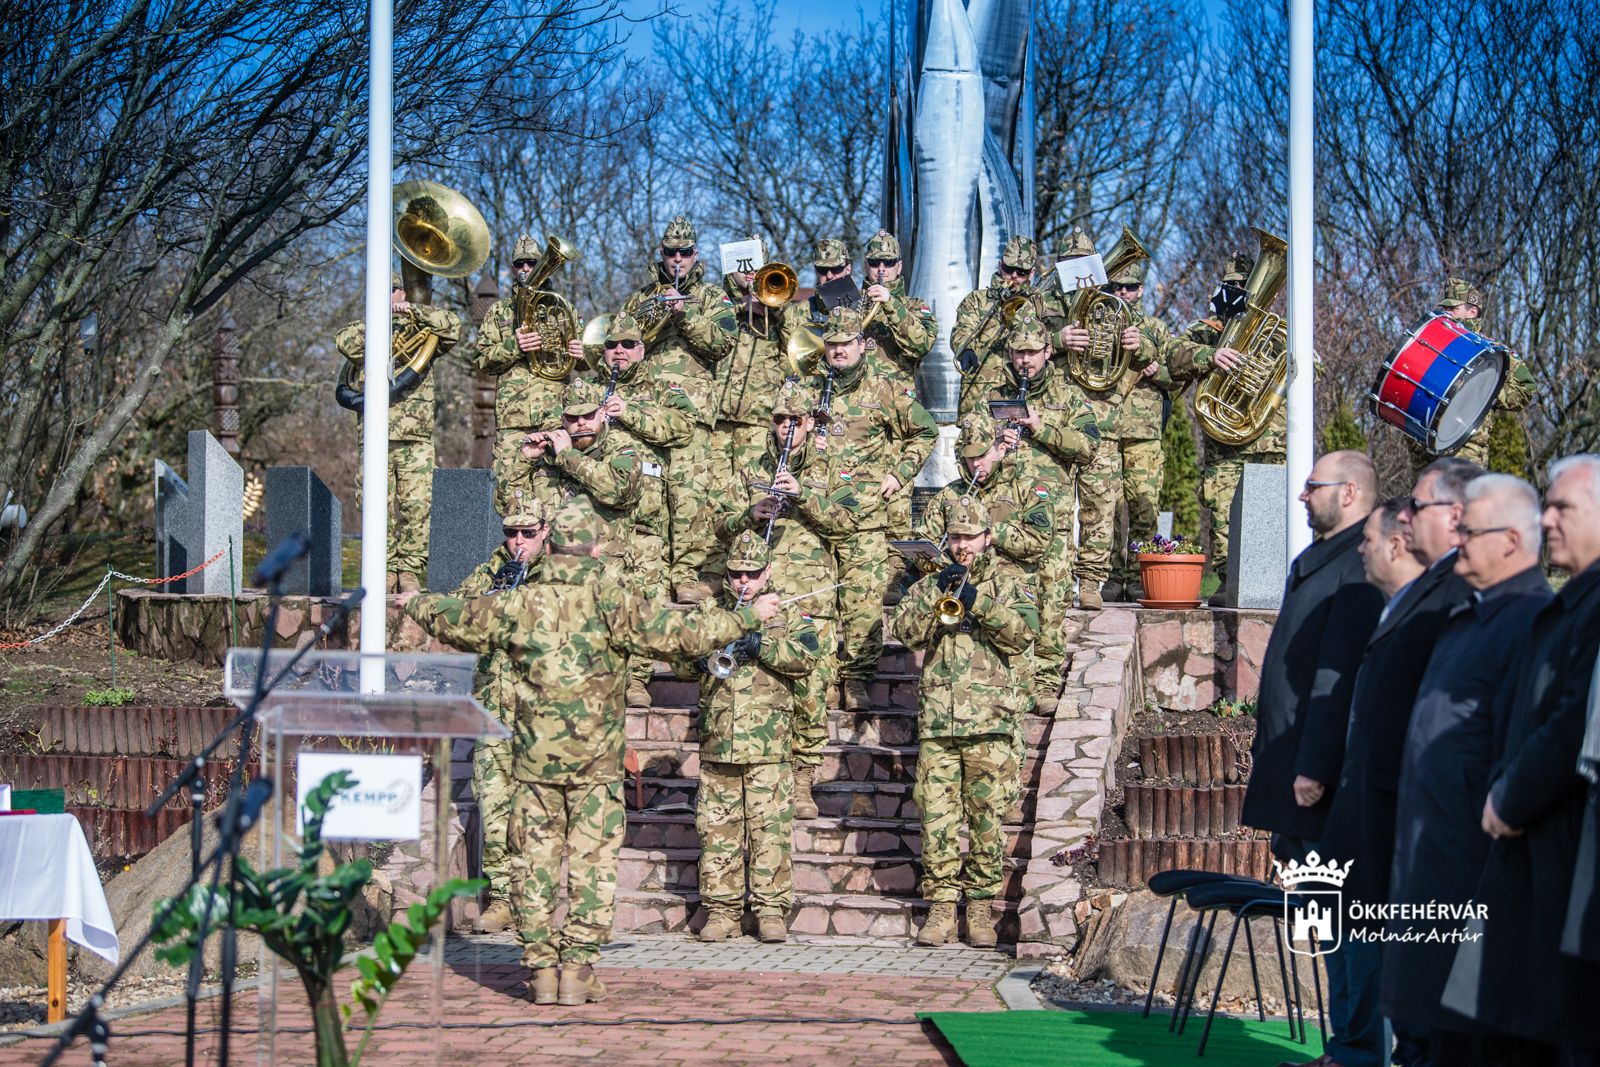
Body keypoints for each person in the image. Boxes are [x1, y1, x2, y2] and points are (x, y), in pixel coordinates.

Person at [400, 505, 779, 1006]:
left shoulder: (520, 603)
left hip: (534, 764)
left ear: (551, 545)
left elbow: (457, 618)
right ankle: (577, 969)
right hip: (596, 767)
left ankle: (541, 969)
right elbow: (686, 636)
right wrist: (750, 615)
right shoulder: (613, 603)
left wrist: (416, 602)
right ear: (596, 548)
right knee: (591, 867)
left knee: (533, 865)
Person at [1383, 474, 1550, 1067]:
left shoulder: (1530, 620)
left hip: (1470, 869)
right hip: (1428, 854)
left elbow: (1519, 750)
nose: (1460, 543)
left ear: (1510, 541)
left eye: (1471, 533)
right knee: (1421, 1032)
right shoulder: (1472, 611)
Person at [1317, 460, 1480, 1067]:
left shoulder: (1456, 593)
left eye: (1417, 505)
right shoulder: (1425, 591)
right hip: (1385, 805)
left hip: (1420, 815)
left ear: (1455, 517)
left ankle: (1363, 1051)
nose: (1405, 516)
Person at [1442, 455, 1600, 1064]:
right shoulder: (1573, 603)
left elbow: (1572, 720)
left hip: (1560, 850)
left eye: (1563, 507)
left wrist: (1510, 796)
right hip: (1533, 851)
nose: (1547, 519)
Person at [1239, 449, 1383, 1067]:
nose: (1302, 496)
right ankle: (1342, 1045)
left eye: (1312, 486)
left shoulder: (1359, 563)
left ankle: (1356, 1050)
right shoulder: (1318, 559)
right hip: (1292, 766)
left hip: (1318, 779)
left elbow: (1338, 673)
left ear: (1349, 493)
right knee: (1321, 919)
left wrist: (1316, 765)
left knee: (1347, 920)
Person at [893, 495, 1038, 948]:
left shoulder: (1011, 580)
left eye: (970, 537)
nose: (962, 546)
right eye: (955, 537)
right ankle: (939, 909)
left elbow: (1022, 635)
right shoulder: (932, 582)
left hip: (989, 723)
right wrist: (936, 594)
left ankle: (979, 909)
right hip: (939, 723)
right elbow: (905, 632)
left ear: (987, 536)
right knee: (936, 820)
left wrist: (979, 602)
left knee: (986, 821)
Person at [711, 382, 861, 818]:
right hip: (758, 594)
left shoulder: (832, 466)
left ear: (811, 423)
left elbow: (848, 524)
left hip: (809, 596)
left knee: (810, 691)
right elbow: (716, 524)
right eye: (779, 419)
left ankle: (801, 778)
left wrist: (804, 496)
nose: (786, 427)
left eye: (795, 420)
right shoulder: (750, 467)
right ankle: (757, 773)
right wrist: (748, 514)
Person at [677, 530, 822, 944]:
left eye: (752, 573)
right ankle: (721, 911)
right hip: (719, 741)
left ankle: (770, 910)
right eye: (736, 573)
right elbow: (678, 657)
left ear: (767, 572)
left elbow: (808, 658)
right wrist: (703, 658)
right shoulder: (710, 611)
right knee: (717, 832)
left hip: (768, 745)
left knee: (769, 832)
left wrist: (761, 645)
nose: (743, 581)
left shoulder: (789, 611)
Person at [918, 411, 1053, 816]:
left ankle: (1006, 795)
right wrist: (936, 559)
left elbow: (1041, 541)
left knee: (1013, 701)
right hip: (960, 603)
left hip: (1008, 601)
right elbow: (925, 543)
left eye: (983, 454)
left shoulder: (1025, 486)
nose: (977, 463)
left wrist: (992, 534)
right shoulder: (949, 496)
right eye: (969, 456)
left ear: (1000, 448)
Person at [960, 314, 1097, 707]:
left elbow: (1089, 448)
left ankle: (1045, 681)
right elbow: (965, 451)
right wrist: (991, 449)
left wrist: (1041, 428)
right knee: (1004, 600)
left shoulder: (1069, 395)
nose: (1025, 360)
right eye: (1019, 352)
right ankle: (1003, 680)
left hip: (1050, 519)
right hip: (1001, 517)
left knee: (1051, 600)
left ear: (1048, 351)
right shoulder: (990, 396)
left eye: (1032, 352)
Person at [807, 305, 938, 712]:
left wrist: (899, 474)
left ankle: (856, 680)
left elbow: (925, 431)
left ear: (862, 345)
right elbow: (779, 433)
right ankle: (822, 678)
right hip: (812, 515)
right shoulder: (809, 386)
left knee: (862, 605)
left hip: (863, 517)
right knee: (816, 605)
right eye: (832, 343)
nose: (838, 350)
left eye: (846, 342)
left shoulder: (885, 388)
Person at [619, 215, 738, 603]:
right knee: (649, 495)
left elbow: (722, 343)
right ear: (662, 253)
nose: (677, 259)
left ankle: (687, 575)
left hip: (692, 414)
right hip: (645, 411)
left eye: (684, 253)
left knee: (688, 498)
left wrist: (684, 313)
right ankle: (649, 572)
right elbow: (618, 342)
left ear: (695, 254)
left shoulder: (712, 297)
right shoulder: (640, 298)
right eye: (671, 252)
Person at [1035, 230, 1156, 610]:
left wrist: (1139, 344)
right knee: (1052, 506)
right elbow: (1015, 343)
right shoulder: (1041, 300)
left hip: (1100, 420)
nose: (1078, 270)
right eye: (1070, 264)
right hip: (1054, 419)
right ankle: (1051, 580)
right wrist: (1057, 340)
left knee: (1099, 508)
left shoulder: (1111, 305)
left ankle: (1090, 581)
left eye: (1084, 263)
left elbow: (1155, 349)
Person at [579, 312, 694, 703]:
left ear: (642, 350)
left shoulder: (663, 387)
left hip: (646, 512)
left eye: (628, 344)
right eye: (612, 345)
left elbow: (683, 428)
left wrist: (628, 411)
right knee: (601, 596)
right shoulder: (588, 388)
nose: (619, 351)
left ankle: (636, 680)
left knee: (646, 596)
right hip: (599, 510)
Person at [446, 500, 549, 934]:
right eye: (511, 533)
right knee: (493, 806)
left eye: (527, 532)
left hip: (540, 715)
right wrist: (491, 596)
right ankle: (503, 898)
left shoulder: (559, 574)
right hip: (492, 711)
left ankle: (535, 899)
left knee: (538, 813)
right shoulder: (492, 570)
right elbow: (453, 616)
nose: (518, 541)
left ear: (545, 531)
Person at [1163, 251, 1284, 604]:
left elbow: (1311, 371)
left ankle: (1271, 585)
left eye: (1246, 285)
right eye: (1233, 285)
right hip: (1225, 443)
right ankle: (1228, 580)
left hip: (1269, 441)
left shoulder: (1277, 330)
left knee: (1271, 519)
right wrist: (1210, 356)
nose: (1240, 290)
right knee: (1224, 515)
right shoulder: (1206, 330)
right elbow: (1173, 357)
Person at [334, 271, 462, 592]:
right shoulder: (367, 331)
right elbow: (344, 341)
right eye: (380, 291)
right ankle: (385, 567)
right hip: (375, 433)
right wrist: (379, 319)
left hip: (415, 434)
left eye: (392, 290)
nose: (387, 296)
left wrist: (414, 311)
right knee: (374, 504)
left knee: (417, 505)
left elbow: (453, 326)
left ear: (402, 293)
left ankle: (409, 570)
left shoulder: (422, 327)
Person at [475, 234, 584, 518]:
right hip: (513, 422)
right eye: (519, 263)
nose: (526, 268)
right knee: (509, 499)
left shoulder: (563, 308)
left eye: (533, 262)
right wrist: (514, 345)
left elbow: (588, 360)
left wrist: (583, 354)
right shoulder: (499, 312)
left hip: (555, 416)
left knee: (556, 497)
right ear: (512, 268)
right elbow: (482, 360)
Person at [1100, 258, 1178, 601]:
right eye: (1116, 287)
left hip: (1144, 432)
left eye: (1129, 287)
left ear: (1140, 290)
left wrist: (1156, 370)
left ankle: (1137, 576)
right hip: (1107, 427)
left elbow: (1178, 377)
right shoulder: (1100, 325)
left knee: (1144, 507)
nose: (1123, 293)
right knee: (1107, 508)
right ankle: (1110, 576)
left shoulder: (1156, 329)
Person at [1403, 278, 1535, 479]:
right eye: (1445, 308)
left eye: (1453, 308)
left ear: (1472, 312)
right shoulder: (1431, 344)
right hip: (1425, 452)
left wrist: (1484, 388)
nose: (1446, 313)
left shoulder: (1494, 353)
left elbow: (1525, 389)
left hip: (1465, 453)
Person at [712, 235, 811, 494]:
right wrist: (737, 307)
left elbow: (797, 349)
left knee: (754, 490)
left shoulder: (781, 309)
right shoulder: (715, 301)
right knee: (715, 492)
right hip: (716, 418)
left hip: (759, 418)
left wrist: (775, 306)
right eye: (743, 266)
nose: (749, 272)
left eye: (757, 266)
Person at [519, 378, 643, 585]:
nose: (581, 423)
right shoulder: (546, 455)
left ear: (602, 414)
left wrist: (568, 456)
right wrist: (524, 461)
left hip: (606, 570)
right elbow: (509, 508)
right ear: (563, 420)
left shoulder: (621, 448)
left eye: (588, 415)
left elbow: (620, 490)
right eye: (573, 418)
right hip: (551, 570)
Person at [952, 234, 1075, 402]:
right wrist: (966, 349)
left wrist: (1056, 339)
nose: (1014, 276)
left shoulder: (1042, 302)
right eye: (1009, 269)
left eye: (1022, 272)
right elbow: (963, 329)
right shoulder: (976, 300)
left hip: (1025, 393)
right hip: (980, 391)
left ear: (1032, 273)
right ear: (1000, 265)